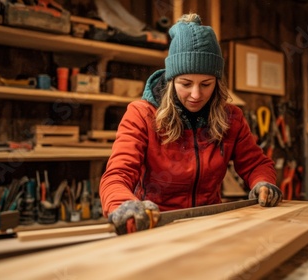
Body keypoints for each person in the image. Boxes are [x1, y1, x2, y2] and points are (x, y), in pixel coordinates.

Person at [99, 13, 282, 235]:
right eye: (186, 83)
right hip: (154, 225)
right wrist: (123, 205)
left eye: (206, 84)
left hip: (210, 224)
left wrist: (263, 183)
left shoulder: (231, 117)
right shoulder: (141, 115)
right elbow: (117, 175)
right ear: (171, 79)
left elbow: (255, 164)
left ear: (218, 82)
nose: (196, 94)